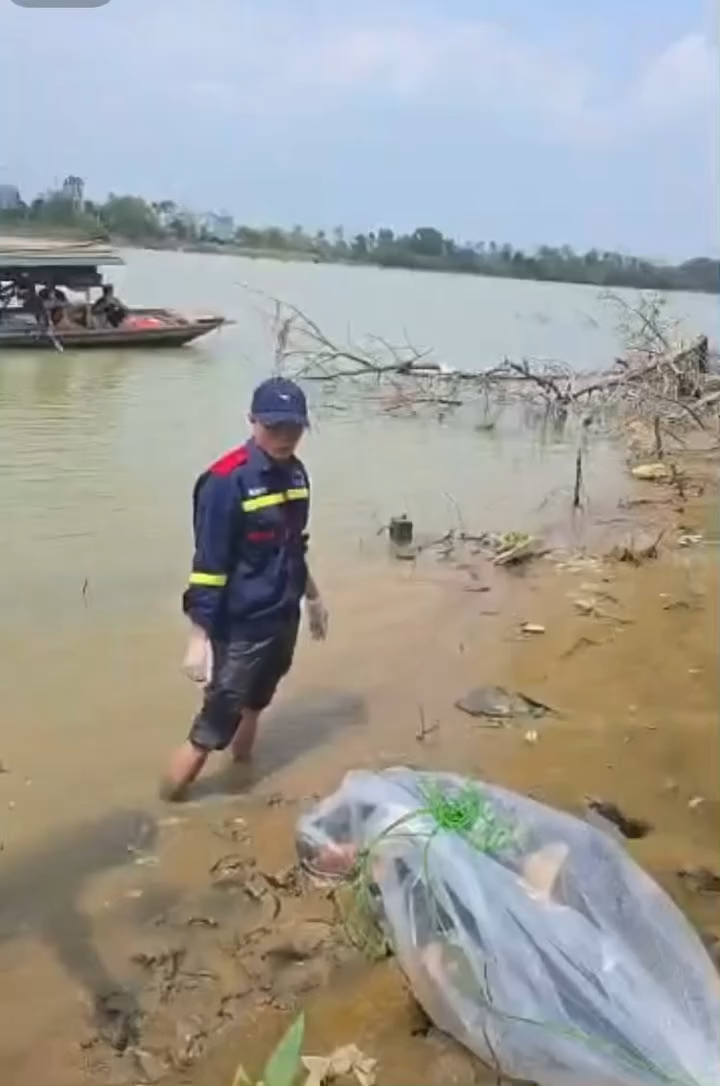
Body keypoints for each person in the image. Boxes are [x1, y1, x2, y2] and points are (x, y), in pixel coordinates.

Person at [161, 376, 328, 800]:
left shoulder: (296, 474)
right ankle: (168, 805)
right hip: (241, 624)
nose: (285, 438)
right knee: (213, 723)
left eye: (294, 429)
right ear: (252, 421)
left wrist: (312, 595)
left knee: (257, 702)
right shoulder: (224, 481)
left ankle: (241, 778)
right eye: (274, 427)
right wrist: (198, 639)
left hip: (282, 613)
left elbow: (293, 544)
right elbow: (208, 567)